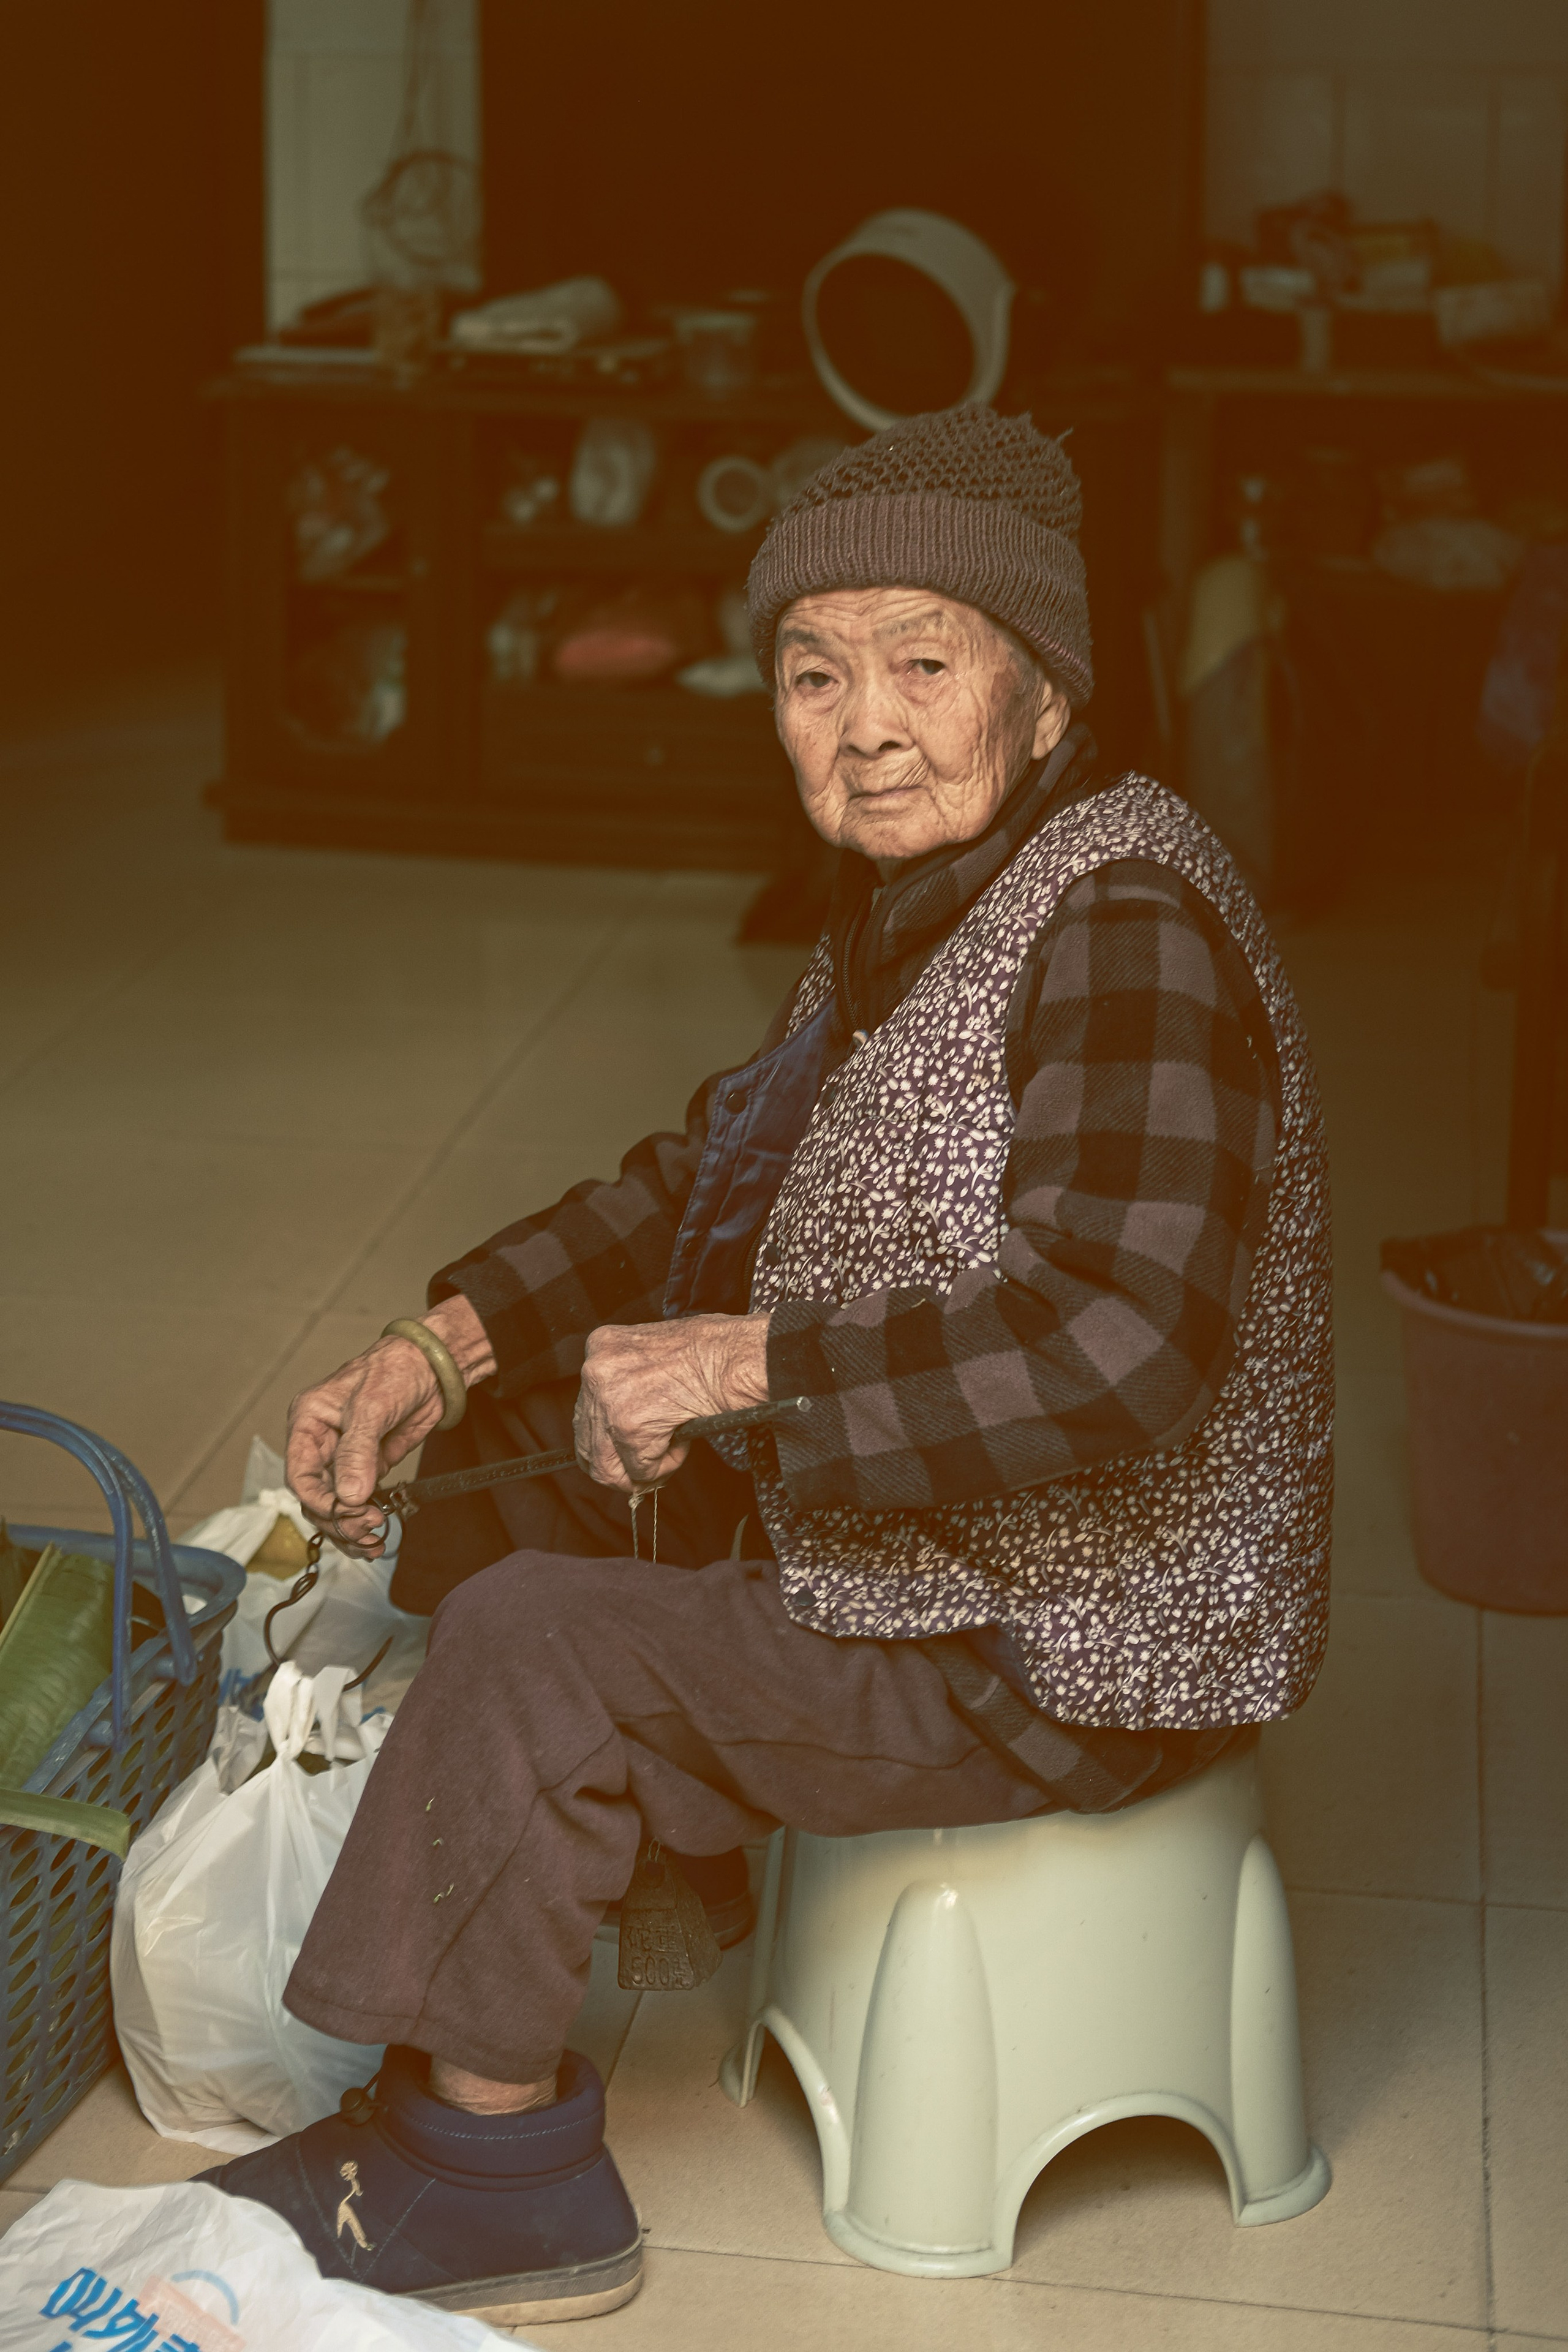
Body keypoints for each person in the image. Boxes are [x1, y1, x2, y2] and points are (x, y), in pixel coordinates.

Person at [199, 407, 1332, 2326]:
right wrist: (437, 1344)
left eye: (922, 663)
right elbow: (701, 1175)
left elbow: (1123, 1347)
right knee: (537, 1482)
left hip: (1071, 1635)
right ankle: (658, 1893)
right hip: (960, 1553)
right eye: (813, 673)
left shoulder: (1126, 927)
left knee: (539, 1643)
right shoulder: (930, 900)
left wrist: (746, 1366)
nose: (861, 724)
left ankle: (496, 2171)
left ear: (1044, 695)